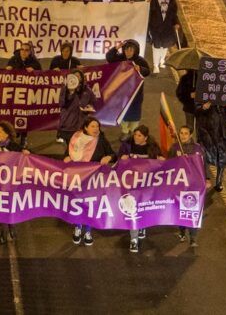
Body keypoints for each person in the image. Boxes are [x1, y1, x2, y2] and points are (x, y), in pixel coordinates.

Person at [65, 117, 115, 246]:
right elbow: (68, 153)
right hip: (77, 178)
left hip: (94, 180)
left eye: (97, 126)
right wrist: (66, 158)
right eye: (93, 126)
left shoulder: (101, 140)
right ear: (85, 128)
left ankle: (87, 231)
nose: (96, 129)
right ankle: (78, 227)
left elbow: (114, 154)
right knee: (78, 204)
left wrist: (109, 157)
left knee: (90, 205)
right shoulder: (76, 138)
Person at [0, 121, 29, 243]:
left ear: (7, 134)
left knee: (11, 208)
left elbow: (24, 161)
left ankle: (12, 228)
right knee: (1, 209)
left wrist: (26, 154)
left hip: (12, 184)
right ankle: (3, 233)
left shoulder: (15, 147)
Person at [119, 124, 161, 252]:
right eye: (135, 135)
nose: (136, 137)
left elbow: (160, 163)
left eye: (139, 136)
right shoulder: (127, 145)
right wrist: (122, 159)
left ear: (146, 138)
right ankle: (134, 240)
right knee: (133, 211)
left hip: (146, 186)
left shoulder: (152, 148)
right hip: (131, 187)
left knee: (143, 209)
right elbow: (118, 160)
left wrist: (162, 160)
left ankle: (142, 226)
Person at [168, 125, 207, 247]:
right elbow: (168, 164)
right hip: (179, 184)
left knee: (192, 210)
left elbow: (204, 164)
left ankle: (193, 238)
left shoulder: (198, 148)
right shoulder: (174, 148)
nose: (183, 135)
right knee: (180, 210)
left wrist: (208, 178)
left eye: (186, 133)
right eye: (181, 133)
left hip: (193, 185)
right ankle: (181, 232)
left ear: (190, 135)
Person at [105, 39, 151, 137]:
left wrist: (141, 69)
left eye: (131, 50)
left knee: (135, 113)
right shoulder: (120, 58)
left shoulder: (140, 60)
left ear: (135, 51)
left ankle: (134, 131)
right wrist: (116, 48)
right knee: (123, 113)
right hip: (122, 92)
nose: (128, 52)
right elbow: (109, 58)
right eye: (126, 50)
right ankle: (125, 131)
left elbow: (147, 72)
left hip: (136, 93)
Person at [196, 101, 226, 192]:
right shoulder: (203, 92)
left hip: (221, 133)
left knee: (223, 157)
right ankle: (205, 177)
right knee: (204, 155)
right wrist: (203, 107)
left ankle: (219, 180)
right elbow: (196, 110)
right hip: (206, 131)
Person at [147, 0, 180, 70]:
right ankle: (155, 65)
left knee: (164, 46)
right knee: (156, 46)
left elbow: (174, 14)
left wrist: (176, 22)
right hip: (155, 26)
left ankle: (162, 61)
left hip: (167, 26)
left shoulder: (172, 1)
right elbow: (148, 11)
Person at [57, 68, 94, 147]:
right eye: (75, 76)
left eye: (79, 76)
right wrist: (71, 92)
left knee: (81, 147)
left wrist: (88, 108)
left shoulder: (86, 90)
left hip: (81, 123)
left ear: (82, 78)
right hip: (68, 123)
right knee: (70, 147)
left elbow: (93, 101)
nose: (77, 78)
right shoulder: (65, 88)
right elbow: (61, 103)